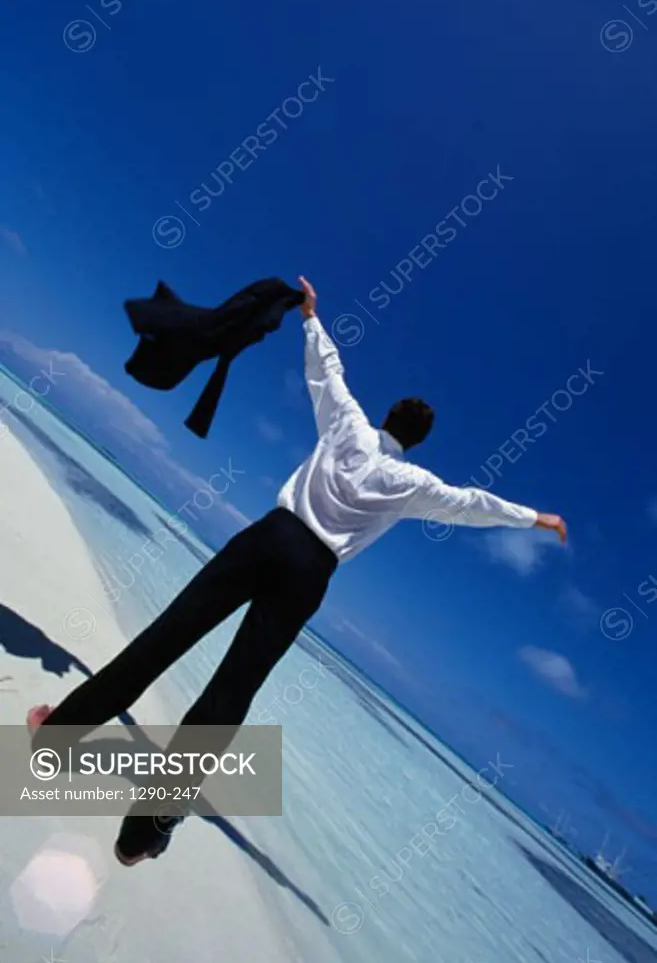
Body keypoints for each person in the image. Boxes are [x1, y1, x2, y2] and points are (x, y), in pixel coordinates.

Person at [28, 276, 566, 865]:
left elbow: (325, 372)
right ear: (419, 441)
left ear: (389, 417)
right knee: (232, 691)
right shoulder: (416, 483)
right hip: (310, 573)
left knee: (168, 636)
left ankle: (56, 737)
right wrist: (534, 518)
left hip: (269, 537)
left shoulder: (350, 425)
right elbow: (472, 505)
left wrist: (311, 315)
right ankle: (143, 834)